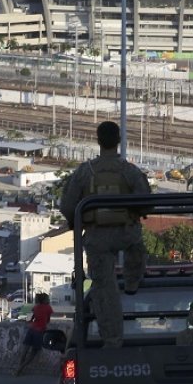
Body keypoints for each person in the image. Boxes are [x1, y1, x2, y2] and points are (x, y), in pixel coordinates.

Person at [59, 121, 151, 348]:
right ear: (119, 140)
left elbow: (68, 206)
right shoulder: (129, 171)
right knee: (136, 250)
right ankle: (132, 282)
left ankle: (112, 341)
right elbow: (147, 203)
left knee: (104, 291)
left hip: (96, 236)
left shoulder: (84, 172)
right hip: (126, 232)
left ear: (98, 141)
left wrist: (76, 220)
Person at [15, 293, 54, 376]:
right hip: (39, 332)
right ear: (44, 300)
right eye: (47, 299)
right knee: (33, 353)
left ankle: (18, 368)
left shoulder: (35, 307)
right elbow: (47, 321)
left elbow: (29, 319)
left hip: (31, 330)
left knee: (25, 351)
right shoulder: (48, 308)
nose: (49, 300)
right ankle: (20, 368)